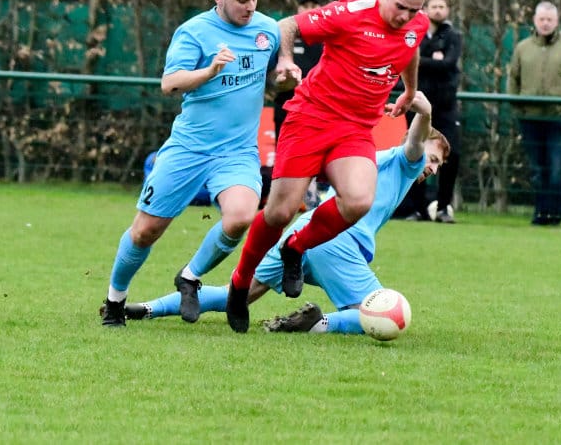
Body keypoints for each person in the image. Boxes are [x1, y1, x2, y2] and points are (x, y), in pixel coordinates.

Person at [118, 92, 449, 335]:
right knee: (378, 314)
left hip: (305, 231)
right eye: (433, 159)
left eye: (437, 165)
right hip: (336, 242)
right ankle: (315, 324)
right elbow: (415, 144)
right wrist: (425, 113)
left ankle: (149, 308)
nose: (432, 168)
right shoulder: (406, 161)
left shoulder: (370, 159)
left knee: (241, 295)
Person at [218, 0, 431, 333]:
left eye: (414, 10)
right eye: (400, 7)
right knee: (280, 212)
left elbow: (410, 47)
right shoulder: (351, 12)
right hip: (311, 118)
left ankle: (295, 247)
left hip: (355, 128)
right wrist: (286, 59)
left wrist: (410, 90)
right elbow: (288, 25)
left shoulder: (417, 23)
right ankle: (240, 282)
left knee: (359, 200)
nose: (406, 17)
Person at [99, 0, 286, 327]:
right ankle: (115, 300)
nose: (250, 7)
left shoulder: (267, 30)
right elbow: (170, 83)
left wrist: (286, 77)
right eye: (242, 0)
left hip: (237, 153)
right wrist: (211, 70)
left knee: (241, 217)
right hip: (188, 149)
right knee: (145, 231)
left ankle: (189, 276)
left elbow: (276, 67)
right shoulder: (195, 32)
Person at [506, 1, 561, 226]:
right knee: (537, 170)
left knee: (556, 169)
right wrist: (518, 106)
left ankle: (554, 214)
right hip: (530, 119)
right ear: (535, 20)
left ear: (556, 21)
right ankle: (540, 213)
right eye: (542, 19)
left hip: (558, 120)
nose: (545, 23)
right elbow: (513, 79)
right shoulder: (523, 48)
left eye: (549, 19)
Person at [395, 0, 463, 223]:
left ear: (447, 10)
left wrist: (423, 62)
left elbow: (449, 64)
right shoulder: (414, 34)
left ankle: (444, 207)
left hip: (445, 107)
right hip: (418, 106)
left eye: (442, 7)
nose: (438, 11)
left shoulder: (453, 36)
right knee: (415, 153)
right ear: (425, 10)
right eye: (434, 6)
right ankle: (417, 209)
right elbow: (406, 59)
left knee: (452, 155)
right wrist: (433, 59)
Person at [271, 0, 324, 141]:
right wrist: (280, 81)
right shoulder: (284, 36)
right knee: (284, 151)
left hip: (317, 108)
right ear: (298, 9)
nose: (309, 10)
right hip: (286, 104)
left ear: (320, 8)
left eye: (313, 6)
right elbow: (270, 74)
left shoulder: (328, 39)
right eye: (305, 6)